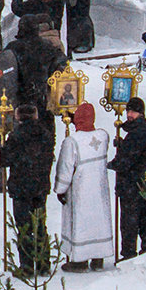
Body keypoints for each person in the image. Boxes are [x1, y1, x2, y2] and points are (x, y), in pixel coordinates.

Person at [54, 103, 112, 272]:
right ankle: (98, 258)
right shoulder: (103, 136)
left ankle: (79, 260)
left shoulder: (72, 141)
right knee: (99, 220)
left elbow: (65, 168)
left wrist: (60, 189)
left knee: (82, 223)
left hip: (81, 190)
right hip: (99, 189)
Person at [0, 106, 50, 276]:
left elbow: (5, 160)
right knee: (40, 224)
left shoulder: (16, 136)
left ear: (18, 117)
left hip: (22, 187)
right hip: (40, 185)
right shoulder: (45, 134)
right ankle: (43, 262)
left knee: (24, 227)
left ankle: (27, 265)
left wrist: (3, 146)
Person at [108, 97, 146, 260]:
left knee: (130, 221)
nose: (129, 114)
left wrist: (114, 164)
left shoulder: (138, 133)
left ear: (141, 113)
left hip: (134, 184)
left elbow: (129, 158)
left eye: (133, 112)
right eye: (128, 111)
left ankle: (129, 254)